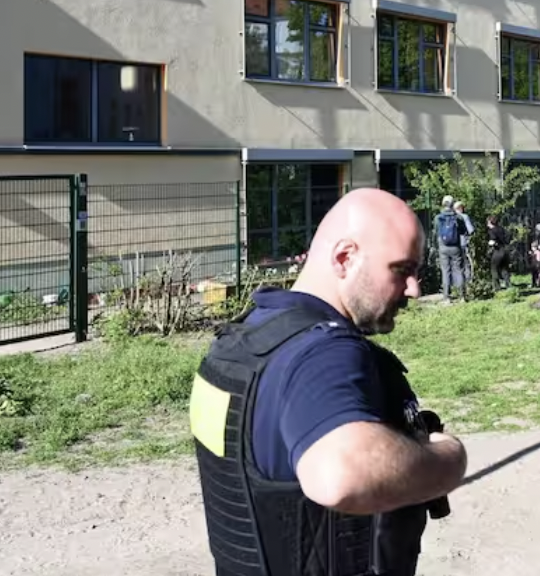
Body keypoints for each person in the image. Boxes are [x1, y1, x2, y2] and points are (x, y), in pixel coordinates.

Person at [190, 188, 468, 576]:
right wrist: (448, 460)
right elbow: (340, 475)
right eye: (401, 270)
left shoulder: (247, 338)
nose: (414, 289)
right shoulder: (323, 353)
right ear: (344, 258)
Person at [435, 196, 468, 301]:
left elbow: (436, 232)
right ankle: (462, 296)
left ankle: (446, 297)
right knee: (458, 270)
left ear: (443, 204)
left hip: (443, 247)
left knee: (445, 271)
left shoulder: (438, 218)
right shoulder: (458, 218)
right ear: (453, 205)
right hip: (455, 247)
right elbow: (464, 231)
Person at [486, 214, 511, 291]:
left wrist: (490, 243)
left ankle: (497, 287)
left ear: (490, 222)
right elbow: (508, 238)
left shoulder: (492, 231)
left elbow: (493, 241)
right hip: (505, 250)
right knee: (504, 269)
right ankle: (508, 285)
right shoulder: (502, 229)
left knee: (494, 269)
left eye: (488, 222)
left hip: (497, 251)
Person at [453, 200, 475, 285]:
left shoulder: (451, 217)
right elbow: (471, 230)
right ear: (461, 208)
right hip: (463, 243)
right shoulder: (464, 216)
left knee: (455, 264)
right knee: (466, 263)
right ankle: (467, 281)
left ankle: (456, 283)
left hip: (452, 244)